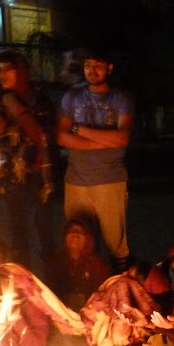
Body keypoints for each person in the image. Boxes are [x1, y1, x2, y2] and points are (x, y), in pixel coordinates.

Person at [57, 48, 134, 271]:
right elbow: (62, 137)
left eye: (98, 65)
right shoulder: (71, 97)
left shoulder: (120, 99)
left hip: (110, 179)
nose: (92, 70)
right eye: (89, 65)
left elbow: (123, 137)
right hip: (76, 181)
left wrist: (78, 129)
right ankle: (80, 291)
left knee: (115, 245)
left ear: (109, 68)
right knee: (77, 241)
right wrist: (106, 141)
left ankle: (118, 290)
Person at [0, 90, 54, 269]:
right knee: (18, 238)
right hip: (10, 183)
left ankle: (51, 283)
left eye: (9, 69)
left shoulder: (38, 103)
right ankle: (21, 282)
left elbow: (42, 138)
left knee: (44, 236)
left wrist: (21, 113)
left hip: (38, 181)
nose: (3, 75)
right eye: (1, 70)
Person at [43, 218, 110, 311]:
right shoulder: (54, 264)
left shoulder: (98, 265)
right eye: (71, 231)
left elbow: (104, 298)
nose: (75, 233)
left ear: (88, 239)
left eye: (80, 232)